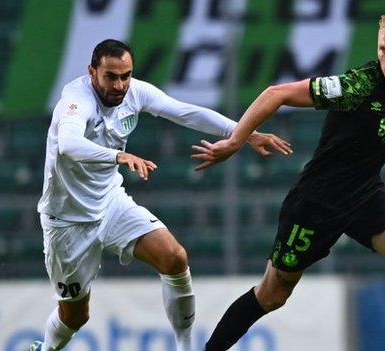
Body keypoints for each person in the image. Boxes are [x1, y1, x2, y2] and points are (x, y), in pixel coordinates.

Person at [192, 10, 385, 351]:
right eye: (384, 49)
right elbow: (275, 93)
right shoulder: (356, 86)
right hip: (316, 204)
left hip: (366, 195)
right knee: (273, 294)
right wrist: (236, 141)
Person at [29, 39, 291, 351]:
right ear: (92, 72)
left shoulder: (135, 92)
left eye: (125, 75)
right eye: (111, 76)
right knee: (75, 317)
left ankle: (185, 347)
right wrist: (119, 157)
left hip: (110, 202)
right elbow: (68, 144)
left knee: (174, 257)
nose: (120, 84)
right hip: (67, 221)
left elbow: (185, 112)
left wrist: (245, 133)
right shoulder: (75, 102)